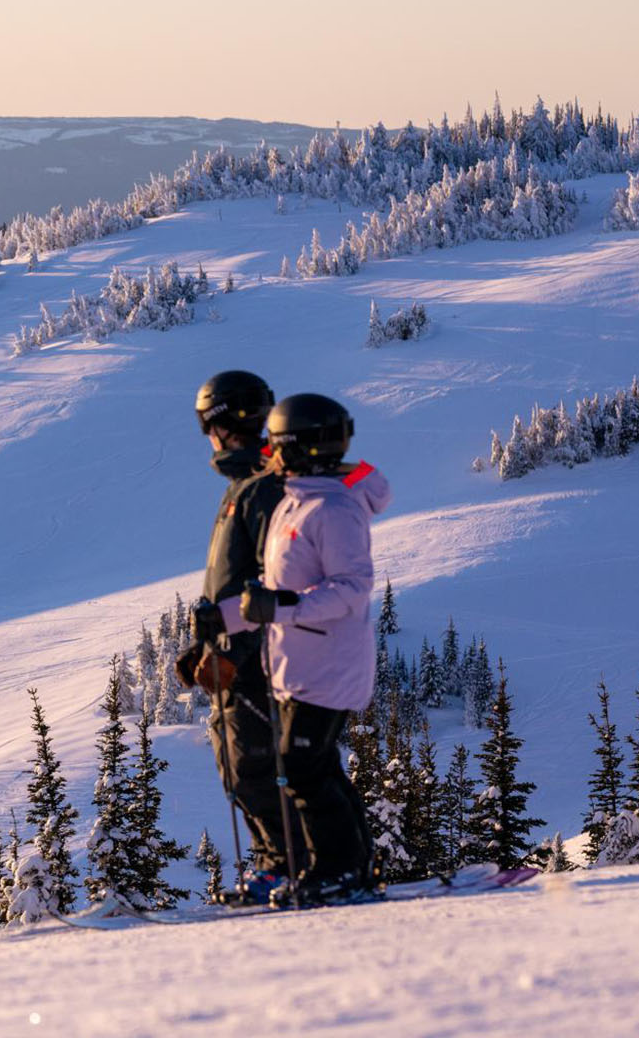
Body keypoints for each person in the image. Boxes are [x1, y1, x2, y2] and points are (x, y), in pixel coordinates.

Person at [218, 392, 391, 904]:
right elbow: (269, 593)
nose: (267, 449)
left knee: (302, 768)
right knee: (315, 768)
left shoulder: (333, 508)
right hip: (299, 664)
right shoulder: (296, 500)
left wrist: (282, 607)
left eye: (275, 441)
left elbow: (351, 588)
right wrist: (219, 619)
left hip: (330, 666)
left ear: (294, 446)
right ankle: (349, 868)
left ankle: (340, 870)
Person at [181, 370, 290, 901]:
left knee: (256, 764)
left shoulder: (264, 489)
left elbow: (271, 581)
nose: (208, 438)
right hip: (235, 649)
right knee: (238, 765)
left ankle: (288, 864)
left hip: (260, 657)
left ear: (224, 426)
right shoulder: (245, 488)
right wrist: (201, 650)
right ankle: (277, 864)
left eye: (209, 427)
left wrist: (233, 650)